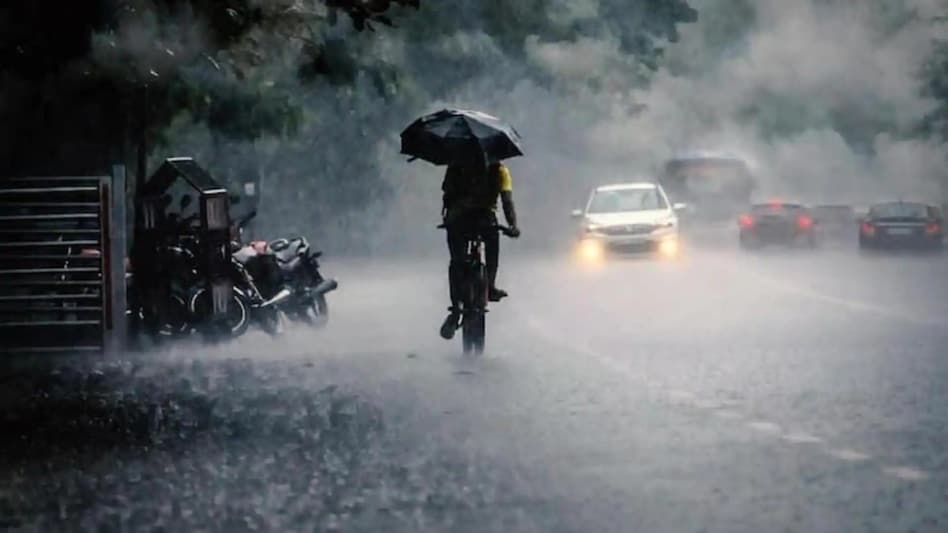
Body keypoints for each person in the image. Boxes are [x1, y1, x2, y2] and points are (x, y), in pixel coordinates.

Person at [439, 152, 520, 339]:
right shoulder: (500, 171)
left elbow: (446, 194)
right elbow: (507, 201)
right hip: (485, 221)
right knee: (492, 249)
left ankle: (456, 309)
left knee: (457, 261)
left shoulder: (455, 165)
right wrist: (513, 226)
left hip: (458, 220)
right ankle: (490, 286)